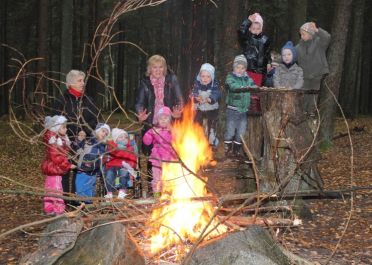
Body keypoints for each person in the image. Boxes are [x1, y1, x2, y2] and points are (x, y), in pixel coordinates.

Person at [135, 55, 184, 192]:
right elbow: (139, 101)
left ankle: (171, 187)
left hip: (169, 120)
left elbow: (179, 97)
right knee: (153, 154)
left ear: (165, 68)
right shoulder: (145, 82)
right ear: (149, 69)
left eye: (160, 67)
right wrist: (140, 114)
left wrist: (178, 111)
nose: (157, 70)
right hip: (151, 122)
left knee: (171, 152)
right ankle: (155, 188)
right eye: (154, 67)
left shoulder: (171, 80)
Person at [53, 70, 101, 202]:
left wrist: (85, 131)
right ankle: (65, 200)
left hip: (85, 143)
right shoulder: (61, 100)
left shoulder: (88, 100)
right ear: (70, 83)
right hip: (66, 143)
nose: (83, 83)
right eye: (80, 81)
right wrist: (71, 134)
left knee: (82, 171)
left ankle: (80, 199)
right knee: (66, 172)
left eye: (83, 80)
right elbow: (57, 122)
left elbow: (95, 120)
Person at [238, 12, 271, 114]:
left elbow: (267, 52)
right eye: (253, 28)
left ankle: (256, 109)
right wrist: (248, 21)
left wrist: (269, 62)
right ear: (250, 29)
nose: (256, 31)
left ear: (261, 28)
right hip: (250, 68)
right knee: (248, 89)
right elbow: (241, 31)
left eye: (258, 28)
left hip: (261, 70)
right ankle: (247, 108)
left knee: (257, 91)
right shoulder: (247, 39)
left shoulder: (265, 39)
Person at [42, 115, 75, 215]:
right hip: (55, 169)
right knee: (56, 188)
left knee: (50, 188)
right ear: (57, 127)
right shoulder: (54, 141)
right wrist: (68, 165)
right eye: (63, 127)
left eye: (66, 127)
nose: (66, 129)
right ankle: (58, 209)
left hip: (53, 168)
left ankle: (50, 208)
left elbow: (62, 154)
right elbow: (57, 157)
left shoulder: (58, 139)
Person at [224, 55, 256, 158]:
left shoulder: (247, 79)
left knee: (241, 132)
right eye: (238, 67)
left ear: (245, 69)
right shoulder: (230, 77)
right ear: (234, 67)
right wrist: (242, 88)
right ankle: (228, 149)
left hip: (243, 111)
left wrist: (256, 88)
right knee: (230, 130)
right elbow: (232, 86)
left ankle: (236, 151)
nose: (240, 70)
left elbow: (253, 85)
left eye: (242, 68)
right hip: (232, 109)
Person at [295, 22, 331, 114]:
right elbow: (289, 55)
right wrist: (275, 61)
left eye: (303, 34)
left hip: (317, 74)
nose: (301, 36)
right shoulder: (299, 47)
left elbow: (327, 37)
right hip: (305, 75)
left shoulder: (319, 42)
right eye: (300, 34)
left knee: (314, 93)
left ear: (310, 34)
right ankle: (303, 111)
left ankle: (312, 111)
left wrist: (316, 30)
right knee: (304, 93)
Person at [142, 107, 176, 197]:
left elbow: (179, 142)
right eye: (161, 118)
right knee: (156, 178)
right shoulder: (154, 130)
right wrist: (151, 133)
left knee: (168, 178)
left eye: (166, 118)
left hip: (169, 159)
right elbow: (146, 142)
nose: (163, 120)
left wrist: (173, 131)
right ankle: (156, 196)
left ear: (170, 120)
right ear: (158, 120)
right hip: (156, 159)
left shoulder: (172, 131)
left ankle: (167, 195)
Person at [75, 123, 110, 203]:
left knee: (90, 194)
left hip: (93, 175)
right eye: (103, 131)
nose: (104, 134)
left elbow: (102, 162)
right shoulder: (89, 141)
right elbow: (77, 149)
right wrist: (79, 140)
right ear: (97, 131)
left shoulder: (103, 147)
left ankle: (88, 210)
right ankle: (80, 208)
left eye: (106, 133)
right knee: (81, 193)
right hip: (83, 172)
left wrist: (100, 173)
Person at [191, 63, 221, 147]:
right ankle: (198, 139)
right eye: (203, 76)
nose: (205, 79)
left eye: (208, 76)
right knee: (197, 124)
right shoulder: (197, 84)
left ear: (212, 77)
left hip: (211, 109)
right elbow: (193, 93)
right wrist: (196, 97)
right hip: (200, 109)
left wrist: (211, 98)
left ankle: (211, 140)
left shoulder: (214, 85)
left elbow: (217, 93)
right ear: (200, 76)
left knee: (211, 126)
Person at [104, 128, 137, 199]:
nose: (124, 139)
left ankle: (122, 191)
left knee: (123, 174)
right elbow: (110, 151)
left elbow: (133, 159)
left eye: (126, 137)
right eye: (121, 137)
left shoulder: (129, 148)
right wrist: (115, 146)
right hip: (113, 165)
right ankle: (109, 192)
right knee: (109, 176)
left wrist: (130, 165)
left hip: (124, 166)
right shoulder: (112, 147)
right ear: (115, 139)